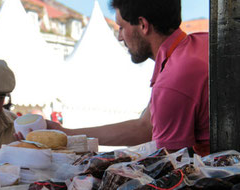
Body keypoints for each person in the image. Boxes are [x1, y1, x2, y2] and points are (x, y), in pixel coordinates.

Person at [47, 0, 209, 156]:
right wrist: (66, 134)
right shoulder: (200, 43)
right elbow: (145, 127)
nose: (120, 37)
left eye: (121, 27)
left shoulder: (172, 81)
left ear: (143, 25)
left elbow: (170, 162)